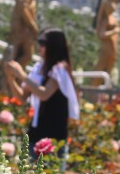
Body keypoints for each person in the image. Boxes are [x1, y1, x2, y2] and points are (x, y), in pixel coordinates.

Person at [6, 28, 80, 158]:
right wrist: (11, 78)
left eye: (42, 43)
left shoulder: (60, 69)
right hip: (36, 131)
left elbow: (44, 94)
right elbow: (23, 97)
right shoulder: (39, 68)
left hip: (54, 135)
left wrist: (21, 75)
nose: (39, 46)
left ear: (53, 46)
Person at [2, 0, 38, 97]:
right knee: (24, 55)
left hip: (23, 27)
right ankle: (10, 81)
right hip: (23, 28)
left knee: (23, 55)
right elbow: (23, 8)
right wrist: (33, 26)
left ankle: (13, 80)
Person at [93, 0, 120, 85]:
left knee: (109, 72)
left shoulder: (112, 18)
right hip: (106, 50)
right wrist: (114, 31)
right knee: (100, 69)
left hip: (112, 51)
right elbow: (101, 34)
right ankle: (94, 90)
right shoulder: (106, 20)